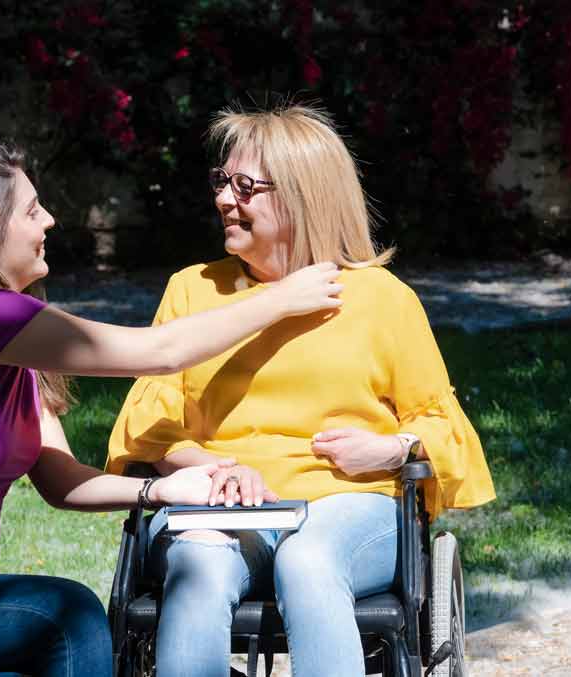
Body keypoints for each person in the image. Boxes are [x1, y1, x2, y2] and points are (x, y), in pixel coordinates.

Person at [0, 142, 345, 677]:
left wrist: (160, 490)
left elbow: (60, 481)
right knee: (69, 616)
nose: (51, 219)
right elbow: (159, 352)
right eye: (31, 210)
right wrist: (280, 300)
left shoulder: (12, 353)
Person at [105, 104, 496, 677]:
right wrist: (213, 469)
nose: (222, 199)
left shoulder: (381, 299)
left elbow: (440, 424)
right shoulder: (191, 290)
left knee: (309, 559)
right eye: (221, 182)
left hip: (348, 504)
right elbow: (152, 429)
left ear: (303, 196)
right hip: (219, 507)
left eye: (245, 187)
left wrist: (392, 448)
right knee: (198, 565)